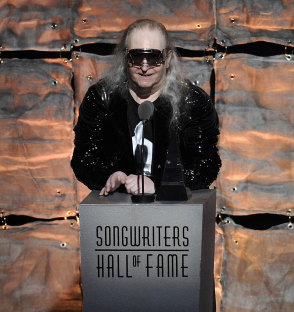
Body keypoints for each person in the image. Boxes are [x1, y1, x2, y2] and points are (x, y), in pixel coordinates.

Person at [71, 19, 221, 196]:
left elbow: (206, 165)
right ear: (125, 57)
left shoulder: (191, 101)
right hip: (119, 211)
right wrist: (111, 176)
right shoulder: (102, 98)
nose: (144, 66)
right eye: (136, 56)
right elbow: (83, 159)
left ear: (167, 58)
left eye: (153, 57)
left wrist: (159, 184)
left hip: (175, 212)